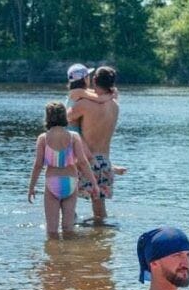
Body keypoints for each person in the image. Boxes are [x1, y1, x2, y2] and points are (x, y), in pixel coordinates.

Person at [27, 102, 98, 236]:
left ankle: (54, 256)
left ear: (47, 117)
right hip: (71, 182)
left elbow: (38, 165)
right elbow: (82, 162)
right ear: (64, 117)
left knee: (52, 230)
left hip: (52, 183)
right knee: (68, 228)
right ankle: (68, 254)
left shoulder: (43, 138)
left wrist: (31, 187)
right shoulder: (73, 137)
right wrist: (94, 183)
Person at [68, 65, 121, 224]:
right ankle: (101, 237)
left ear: (94, 81)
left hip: (86, 161)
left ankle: (69, 234)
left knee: (69, 199)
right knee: (99, 207)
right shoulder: (115, 106)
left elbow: (64, 118)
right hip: (105, 162)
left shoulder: (84, 104)